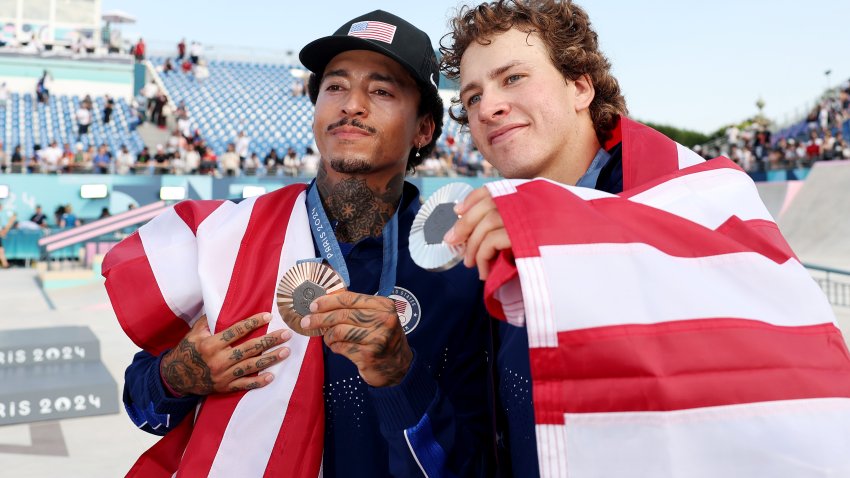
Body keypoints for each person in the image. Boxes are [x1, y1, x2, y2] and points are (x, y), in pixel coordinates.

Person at [440, 1, 850, 477]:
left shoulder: (699, 194)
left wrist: (550, 225)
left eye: (512, 78)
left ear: (579, 87)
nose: (488, 107)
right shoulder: (497, 235)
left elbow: (778, 368)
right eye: (471, 97)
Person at [103, 10, 493, 478]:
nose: (351, 104)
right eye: (335, 86)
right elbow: (142, 408)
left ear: (424, 129)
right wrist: (175, 377)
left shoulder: (460, 266)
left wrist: (400, 377)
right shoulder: (233, 238)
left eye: (381, 90)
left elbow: (473, 463)